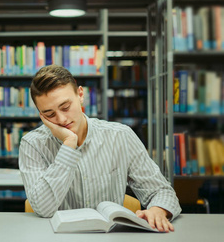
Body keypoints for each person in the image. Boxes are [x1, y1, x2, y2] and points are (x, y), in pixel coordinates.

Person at [19, 65, 181, 232]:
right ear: (41, 115)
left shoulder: (120, 136)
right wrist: (68, 144)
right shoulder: (32, 144)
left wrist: (158, 210)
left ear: (80, 95)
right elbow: (43, 209)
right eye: (49, 114)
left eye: (65, 107)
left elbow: (161, 191)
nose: (61, 119)